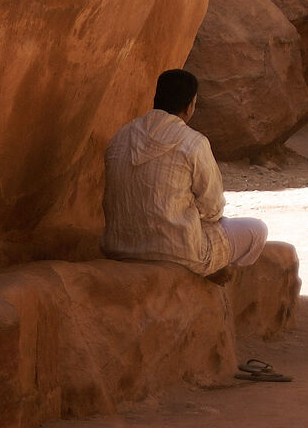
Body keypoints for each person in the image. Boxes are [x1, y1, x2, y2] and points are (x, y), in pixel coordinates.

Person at [102, 69, 269, 278]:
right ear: (189, 106)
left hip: (120, 247)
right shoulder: (193, 142)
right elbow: (213, 207)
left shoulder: (121, 136)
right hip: (178, 251)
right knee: (256, 230)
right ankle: (209, 277)